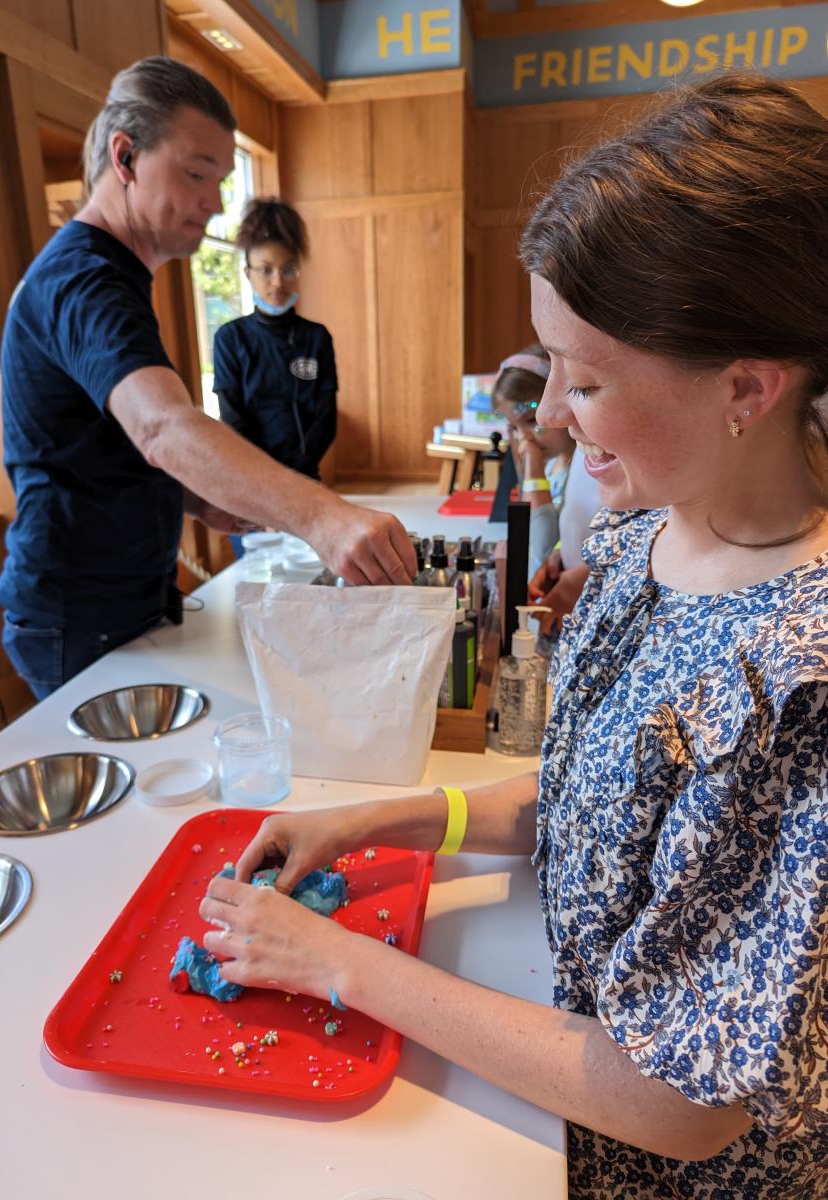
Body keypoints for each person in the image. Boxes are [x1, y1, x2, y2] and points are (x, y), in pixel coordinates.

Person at [197, 73, 828, 1200]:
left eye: (586, 382)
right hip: (549, 1074)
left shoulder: (799, 680)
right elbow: (602, 808)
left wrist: (338, 965)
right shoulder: (647, 544)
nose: (546, 421)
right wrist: (385, 818)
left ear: (747, 387)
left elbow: (675, 1102)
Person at [0, 57, 414, 698]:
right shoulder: (85, 279)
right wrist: (325, 519)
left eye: (219, 180)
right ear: (126, 157)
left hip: (124, 596)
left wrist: (197, 498)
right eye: (196, 174)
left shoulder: (118, 279)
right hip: (78, 610)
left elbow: (103, 446)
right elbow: (161, 427)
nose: (213, 203)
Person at [214, 199, 337, 481]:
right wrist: (267, 475)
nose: (278, 282)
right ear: (248, 273)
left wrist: (297, 471)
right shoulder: (230, 340)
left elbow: (326, 418)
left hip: (306, 477)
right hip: (251, 478)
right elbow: (233, 419)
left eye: (288, 269)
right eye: (266, 270)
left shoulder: (317, 337)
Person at [492, 345, 600, 582]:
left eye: (531, 421)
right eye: (514, 428)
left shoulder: (586, 471)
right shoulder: (553, 467)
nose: (525, 438)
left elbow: (543, 547)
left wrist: (533, 468)